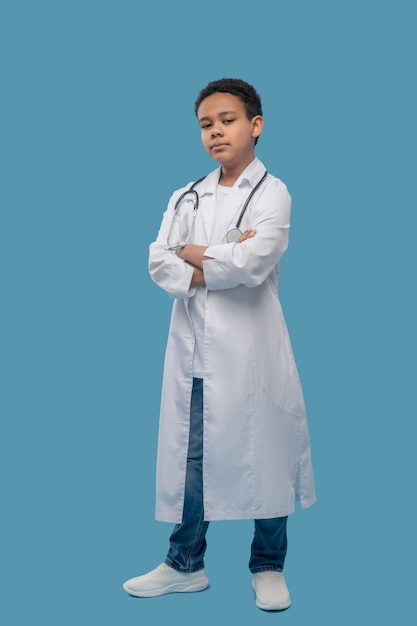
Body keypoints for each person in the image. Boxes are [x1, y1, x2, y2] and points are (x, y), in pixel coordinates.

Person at [123, 78, 316, 611]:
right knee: (193, 460)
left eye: (227, 120)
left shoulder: (272, 192)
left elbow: (255, 264)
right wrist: (212, 255)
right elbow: (157, 262)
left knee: (267, 456)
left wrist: (191, 255)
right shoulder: (186, 195)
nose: (216, 132)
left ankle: (268, 566)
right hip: (195, 354)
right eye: (206, 124)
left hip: (253, 352)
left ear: (255, 125)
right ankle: (185, 564)